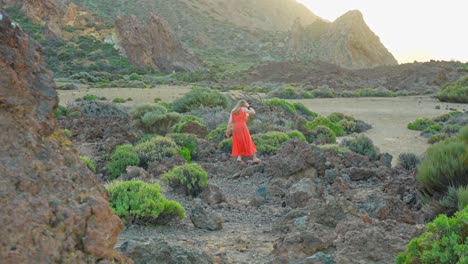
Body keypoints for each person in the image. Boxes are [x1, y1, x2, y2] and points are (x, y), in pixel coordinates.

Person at [225, 100, 261, 164]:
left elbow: (229, 122)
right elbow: (253, 112)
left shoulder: (233, 111)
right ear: (244, 104)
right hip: (243, 127)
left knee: (239, 142)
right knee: (248, 141)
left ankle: (239, 158)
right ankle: (254, 158)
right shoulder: (243, 109)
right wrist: (248, 106)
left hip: (235, 128)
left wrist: (228, 131)